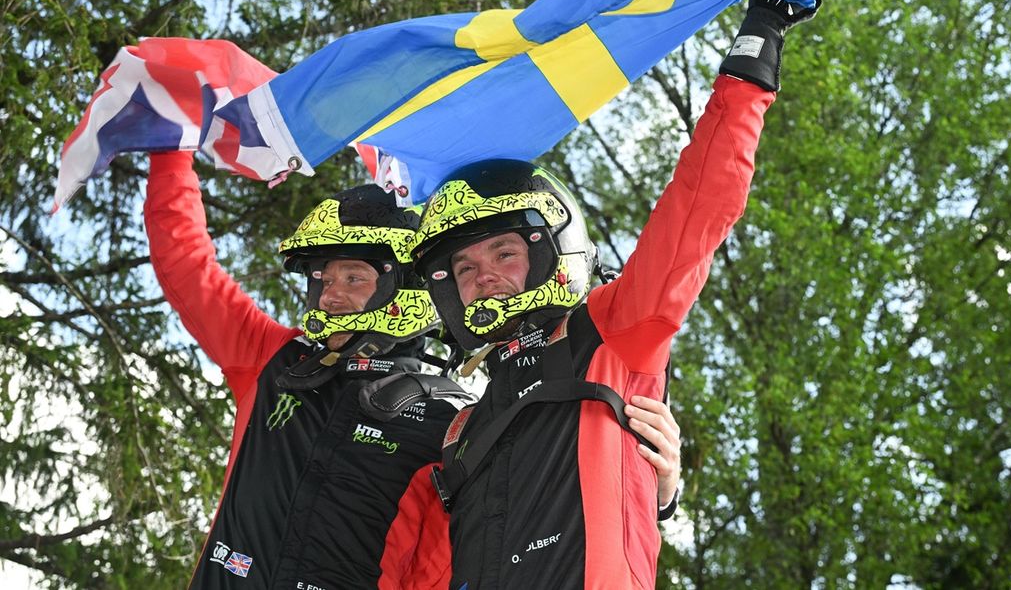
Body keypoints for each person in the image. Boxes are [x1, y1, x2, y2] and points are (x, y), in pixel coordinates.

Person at [409, 0, 820, 588]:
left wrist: (762, 35)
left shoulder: (613, 330)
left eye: (504, 251)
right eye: (465, 268)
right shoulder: (459, 427)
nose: (484, 276)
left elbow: (699, 207)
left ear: (553, 252)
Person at [143, 151, 683, 589]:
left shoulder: (454, 418)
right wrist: (172, 148)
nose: (330, 294)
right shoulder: (275, 362)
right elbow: (186, 267)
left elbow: (491, 538)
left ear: (405, 286)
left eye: (354, 278)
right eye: (322, 279)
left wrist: (650, 488)